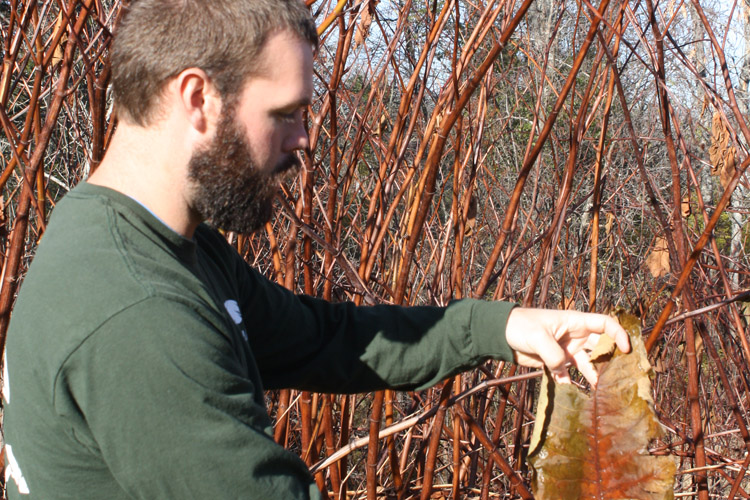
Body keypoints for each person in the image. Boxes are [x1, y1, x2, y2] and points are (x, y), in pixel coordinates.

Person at [2, 0, 630, 498]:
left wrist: (497, 326)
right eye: (287, 113)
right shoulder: (135, 310)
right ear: (197, 98)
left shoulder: (157, 243)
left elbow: (328, 338)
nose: (305, 139)